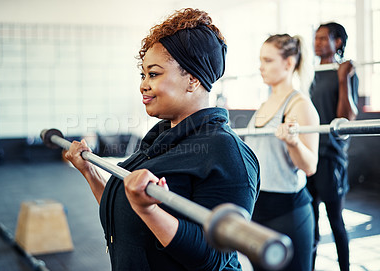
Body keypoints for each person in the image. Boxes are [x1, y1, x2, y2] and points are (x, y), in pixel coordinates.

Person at [64, 8, 260, 271]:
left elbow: (212, 259)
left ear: (192, 79)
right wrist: (90, 172)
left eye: (154, 74)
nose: (143, 85)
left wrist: (150, 211)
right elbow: (126, 212)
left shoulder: (228, 153)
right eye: (143, 75)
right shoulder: (159, 141)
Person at [244, 34, 319, 271]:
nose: (260, 66)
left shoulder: (299, 105)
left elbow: (310, 166)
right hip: (258, 207)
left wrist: (294, 142)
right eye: (260, 60)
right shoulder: (265, 104)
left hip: (288, 212)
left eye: (267, 60)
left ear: (288, 63)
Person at [307, 22, 359, 271]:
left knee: (335, 221)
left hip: (331, 157)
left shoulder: (345, 71)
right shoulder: (310, 73)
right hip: (308, 156)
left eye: (322, 38)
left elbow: (346, 118)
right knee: (310, 222)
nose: (316, 43)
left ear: (337, 42)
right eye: (315, 38)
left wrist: (342, 80)